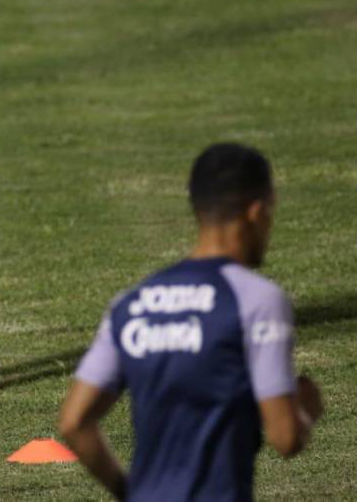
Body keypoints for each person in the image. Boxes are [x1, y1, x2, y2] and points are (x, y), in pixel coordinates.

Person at [59, 143, 323, 500]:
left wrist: (130, 491)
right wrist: (304, 411)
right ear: (256, 212)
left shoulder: (131, 304)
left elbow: (75, 423)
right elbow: (285, 438)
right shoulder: (257, 300)